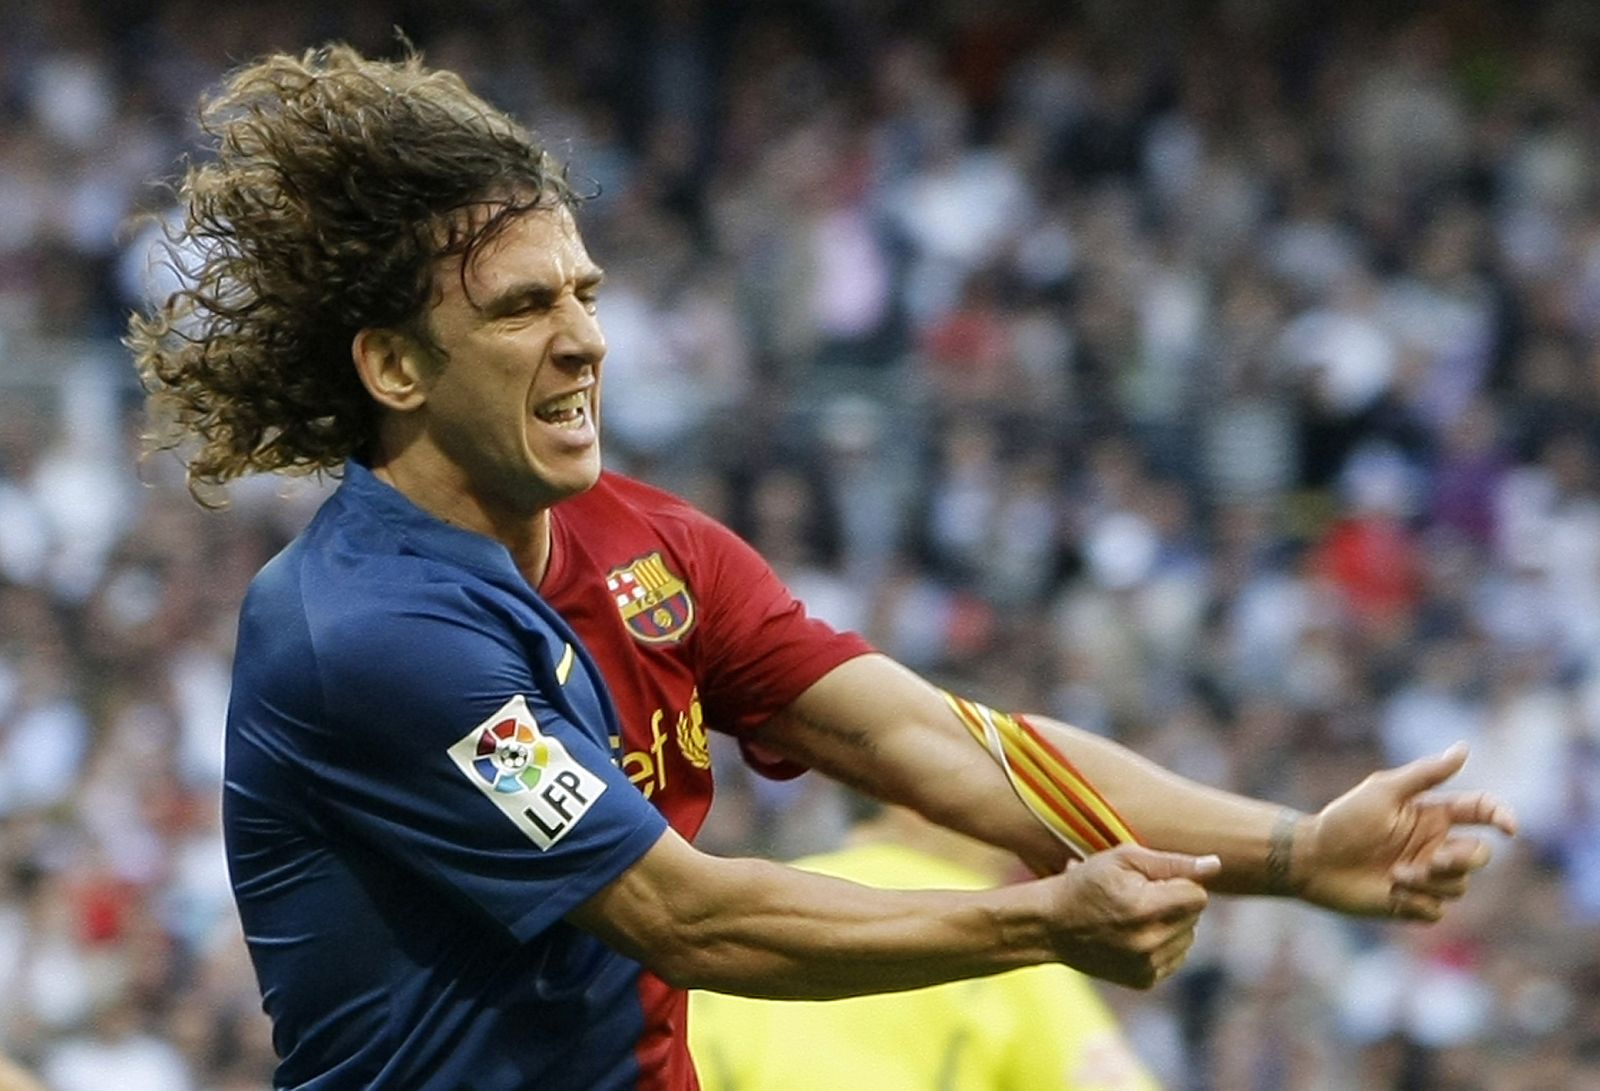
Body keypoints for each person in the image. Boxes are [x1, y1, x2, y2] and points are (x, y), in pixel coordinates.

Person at [127, 44, 1514, 1091]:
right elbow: (689, 914)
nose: (585, 338)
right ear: (393, 364)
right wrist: (1039, 919)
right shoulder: (368, 628)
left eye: (587, 292)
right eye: (522, 306)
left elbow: (943, 742)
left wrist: (1289, 846)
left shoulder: (647, 547)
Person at [689, 803, 1161, 1090]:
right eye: (1000, 803)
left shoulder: (750, 921)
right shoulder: (1007, 935)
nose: (1016, 841)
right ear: (916, 797)